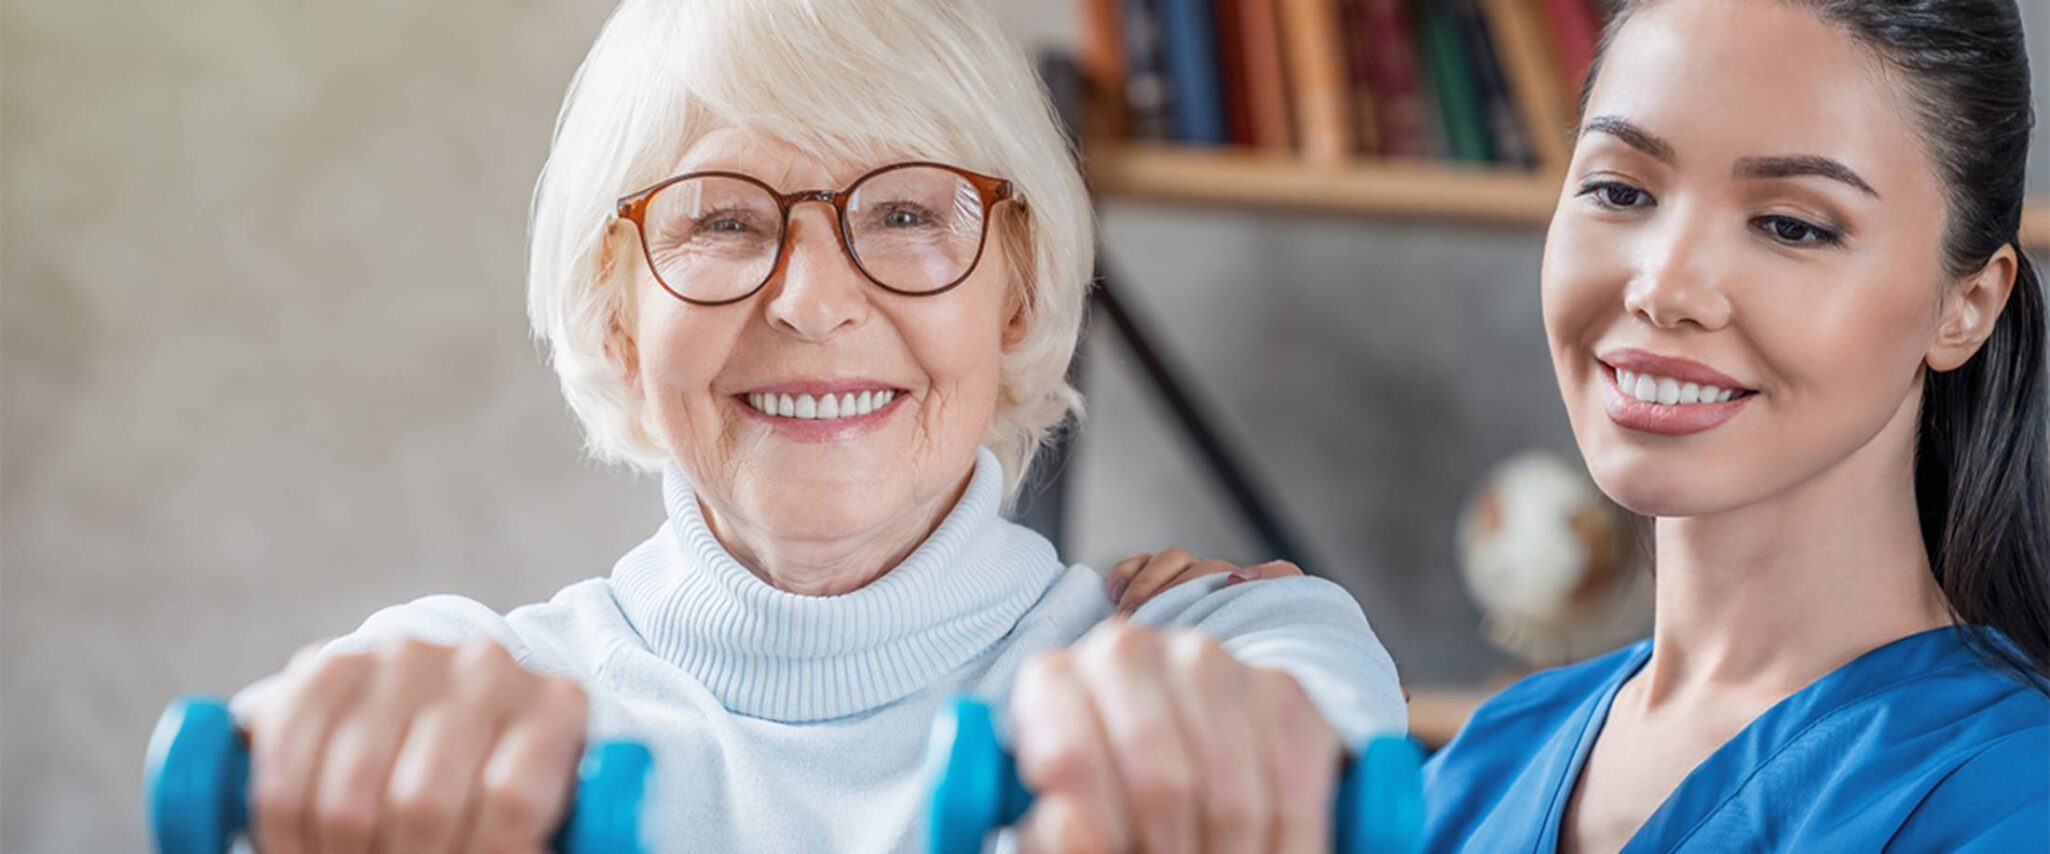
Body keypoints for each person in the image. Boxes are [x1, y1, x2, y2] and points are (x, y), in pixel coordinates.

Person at [225, 1, 1411, 852]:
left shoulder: (1237, 644)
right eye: (724, 223)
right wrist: (327, 752)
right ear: (620, 319)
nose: (811, 297)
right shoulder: (465, 698)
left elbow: (1322, 732)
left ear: (1012, 290)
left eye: (903, 211)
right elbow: (326, 723)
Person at [1115, 0, 2049, 847]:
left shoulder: (2011, 795)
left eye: (1792, 225)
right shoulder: (1484, 765)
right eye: (1622, 190)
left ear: (1964, 306)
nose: (1663, 287)